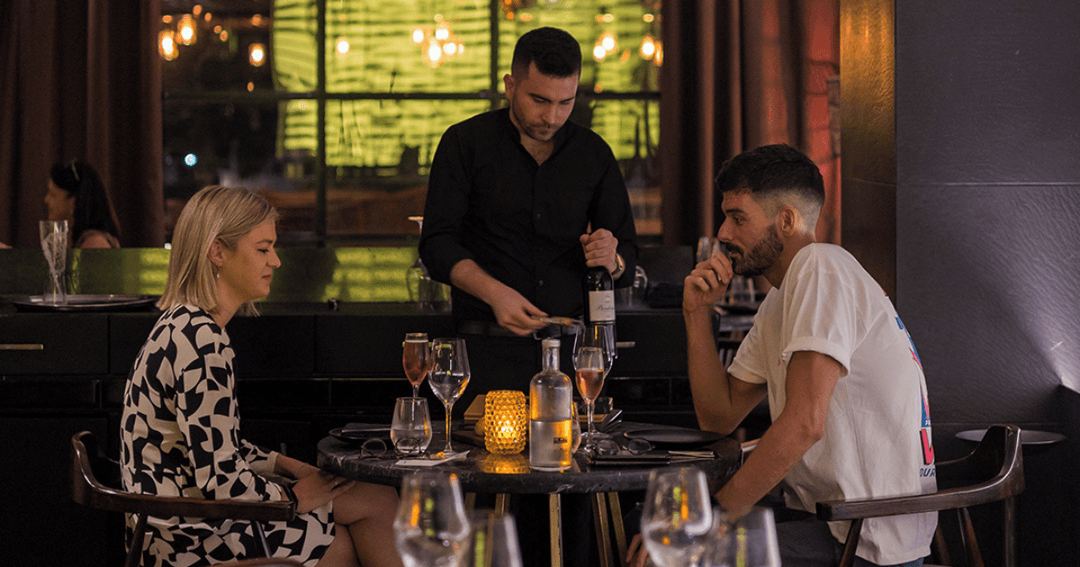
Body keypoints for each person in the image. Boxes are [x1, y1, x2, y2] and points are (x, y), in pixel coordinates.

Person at [628, 144, 937, 567]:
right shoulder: (781, 299)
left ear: (786, 219)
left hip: (862, 536)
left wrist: (713, 517)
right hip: (824, 521)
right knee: (646, 523)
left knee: (675, 550)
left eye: (738, 218)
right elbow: (718, 417)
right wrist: (697, 314)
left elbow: (805, 423)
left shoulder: (820, 267)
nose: (723, 232)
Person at [119, 185, 403, 567]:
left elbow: (214, 445)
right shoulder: (202, 341)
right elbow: (220, 481)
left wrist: (288, 467)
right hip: (188, 542)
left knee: (375, 499)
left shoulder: (180, 323)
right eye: (263, 248)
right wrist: (295, 497)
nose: (276, 261)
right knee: (361, 524)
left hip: (171, 528)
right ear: (218, 252)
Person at [419, 26, 638, 393]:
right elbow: (437, 245)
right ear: (510, 86)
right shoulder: (464, 143)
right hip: (483, 348)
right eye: (539, 100)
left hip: (571, 352)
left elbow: (627, 255)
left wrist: (613, 259)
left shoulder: (593, 152)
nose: (552, 117)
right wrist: (495, 293)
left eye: (565, 102)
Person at [45, 160, 121, 248]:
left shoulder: (95, 243)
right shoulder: (81, 239)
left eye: (53, 195)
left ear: (74, 201)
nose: (46, 200)